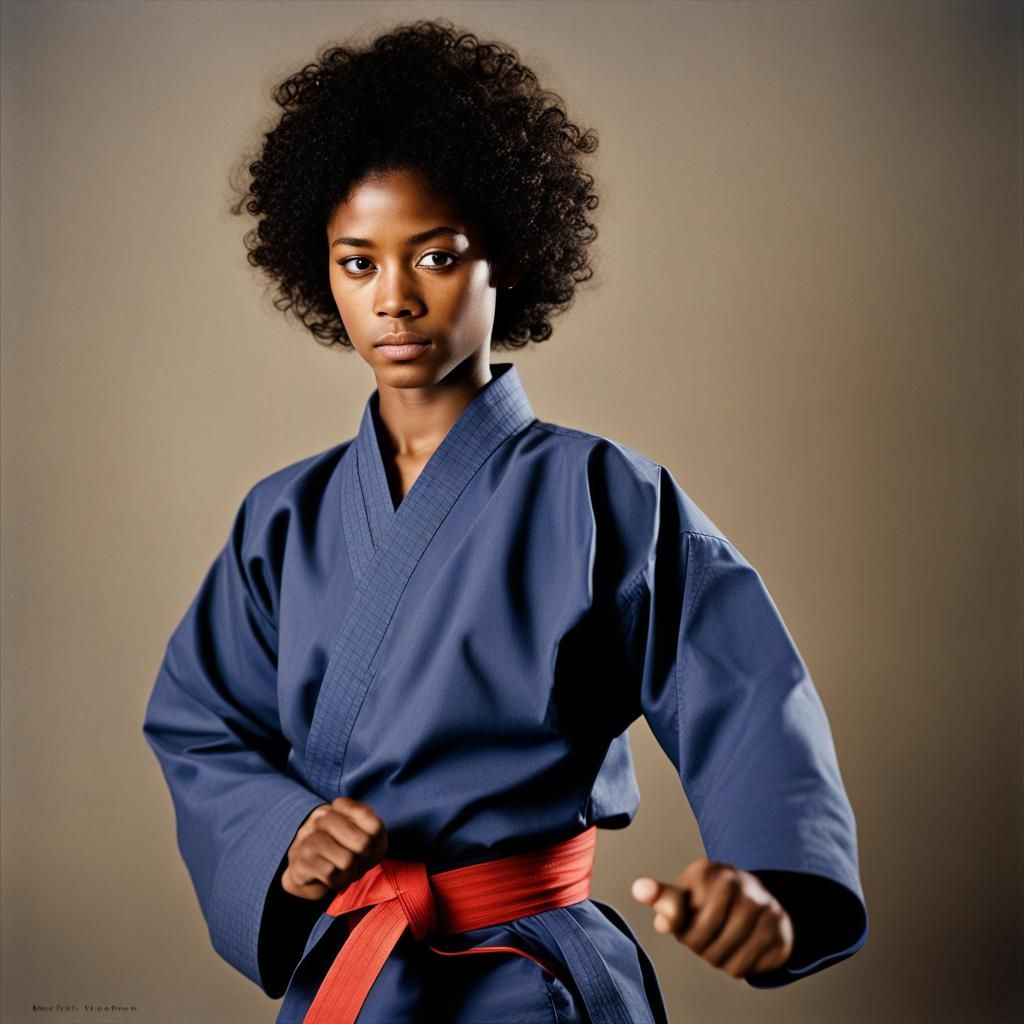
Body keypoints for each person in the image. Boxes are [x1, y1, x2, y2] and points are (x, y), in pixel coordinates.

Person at [142, 18, 868, 1024]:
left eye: (435, 256)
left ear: (511, 256)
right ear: (320, 272)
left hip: (533, 975)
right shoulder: (281, 518)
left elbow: (746, 691)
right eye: (358, 263)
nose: (395, 298)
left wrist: (770, 882)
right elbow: (198, 718)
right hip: (356, 977)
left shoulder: (602, 495)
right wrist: (282, 835)